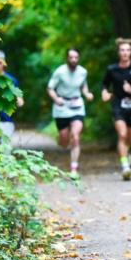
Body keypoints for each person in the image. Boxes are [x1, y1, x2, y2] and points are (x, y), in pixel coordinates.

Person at [101, 38, 131, 180]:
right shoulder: (112, 69)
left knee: (130, 136)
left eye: (127, 50)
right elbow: (105, 84)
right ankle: (125, 166)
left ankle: (126, 153)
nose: (125, 53)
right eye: (122, 50)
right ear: (118, 52)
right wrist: (104, 93)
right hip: (118, 105)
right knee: (122, 135)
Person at [47, 48, 93, 177]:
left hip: (77, 105)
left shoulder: (83, 72)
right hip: (62, 106)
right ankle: (61, 138)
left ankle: (74, 168)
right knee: (64, 141)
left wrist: (87, 94)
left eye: (76, 57)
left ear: (78, 58)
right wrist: (56, 99)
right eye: (71, 57)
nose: (73, 60)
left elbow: (83, 85)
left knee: (76, 136)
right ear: (67, 58)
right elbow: (50, 88)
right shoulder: (60, 72)